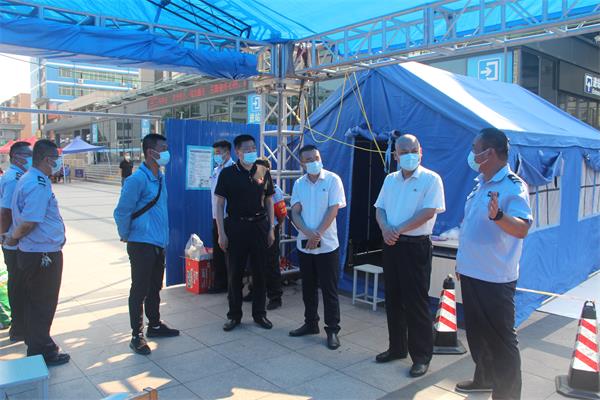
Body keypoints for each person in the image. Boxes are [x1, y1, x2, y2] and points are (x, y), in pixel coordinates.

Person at [455, 128, 532, 400]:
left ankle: (507, 395)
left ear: (489, 153)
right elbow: (470, 228)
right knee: (478, 336)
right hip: (472, 272)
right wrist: (461, 263)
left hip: (495, 278)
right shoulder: (480, 184)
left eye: (475, 148)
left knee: (501, 342)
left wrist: (499, 216)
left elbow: (522, 228)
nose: (472, 154)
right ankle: (484, 379)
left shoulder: (512, 185)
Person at [374, 134, 446, 377]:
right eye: (403, 152)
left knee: (416, 302)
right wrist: (386, 229)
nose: (408, 155)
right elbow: (380, 208)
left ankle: (421, 356)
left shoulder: (431, 179)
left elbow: (428, 212)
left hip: (416, 246)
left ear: (420, 151)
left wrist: (397, 229)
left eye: (413, 150)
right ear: (395, 155)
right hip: (391, 245)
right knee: (393, 299)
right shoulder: (390, 180)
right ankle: (397, 348)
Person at [114, 134, 179, 355]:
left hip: (158, 242)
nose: (167, 152)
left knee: (154, 288)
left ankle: (155, 325)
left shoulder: (159, 177)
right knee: (139, 290)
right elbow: (121, 211)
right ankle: (136, 335)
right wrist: (125, 234)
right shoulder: (136, 180)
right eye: (164, 148)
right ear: (151, 152)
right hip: (141, 243)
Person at [8, 139, 69, 366]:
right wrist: (13, 238)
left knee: (36, 302)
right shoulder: (37, 183)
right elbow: (29, 222)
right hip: (42, 254)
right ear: (46, 159)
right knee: (43, 303)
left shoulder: (30, 178)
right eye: (56, 159)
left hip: (36, 251)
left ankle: (38, 344)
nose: (58, 163)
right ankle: (42, 351)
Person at [214, 134, 275, 332]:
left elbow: (269, 200)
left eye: (253, 148)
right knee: (235, 274)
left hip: (259, 226)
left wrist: (271, 228)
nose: (251, 152)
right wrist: (221, 233)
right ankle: (234, 315)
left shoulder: (262, 170)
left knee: (260, 273)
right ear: (237, 152)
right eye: (246, 149)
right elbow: (219, 204)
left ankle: (260, 314)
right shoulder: (228, 173)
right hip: (236, 227)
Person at [289, 144, 346, 350]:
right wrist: (307, 232)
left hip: (327, 246)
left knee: (329, 290)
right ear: (302, 163)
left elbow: (333, 210)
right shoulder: (299, 184)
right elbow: (295, 211)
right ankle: (310, 323)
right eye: (309, 160)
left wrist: (318, 233)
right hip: (305, 245)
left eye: (316, 158)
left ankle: (332, 330)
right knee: (308, 287)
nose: (314, 162)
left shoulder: (332, 180)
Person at [0, 141, 33, 342]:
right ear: (16, 157)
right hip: (14, 241)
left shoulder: (16, 176)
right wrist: (5, 236)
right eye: (28, 154)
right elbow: (6, 212)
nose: (31, 158)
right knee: (19, 283)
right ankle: (19, 327)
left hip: (15, 239)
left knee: (19, 282)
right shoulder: (14, 179)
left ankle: (20, 324)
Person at [245, 158, 286, 310]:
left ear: (268, 171)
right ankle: (254, 291)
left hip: (269, 230)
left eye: (262, 169)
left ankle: (275, 296)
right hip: (253, 229)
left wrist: (274, 228)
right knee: (252, 263)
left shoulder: (275, 190)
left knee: (271, 263)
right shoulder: (248, 186)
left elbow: (281, 213)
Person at [209, 140, 234, 294]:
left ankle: (232, 285)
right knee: (218, 252)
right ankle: (220, 283)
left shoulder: (233, 170)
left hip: (228, 217)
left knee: (230, 253)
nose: (216, 156)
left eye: (219, 153)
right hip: (216, 216)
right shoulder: (216, 170)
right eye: (215, 153)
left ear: (227, 153)